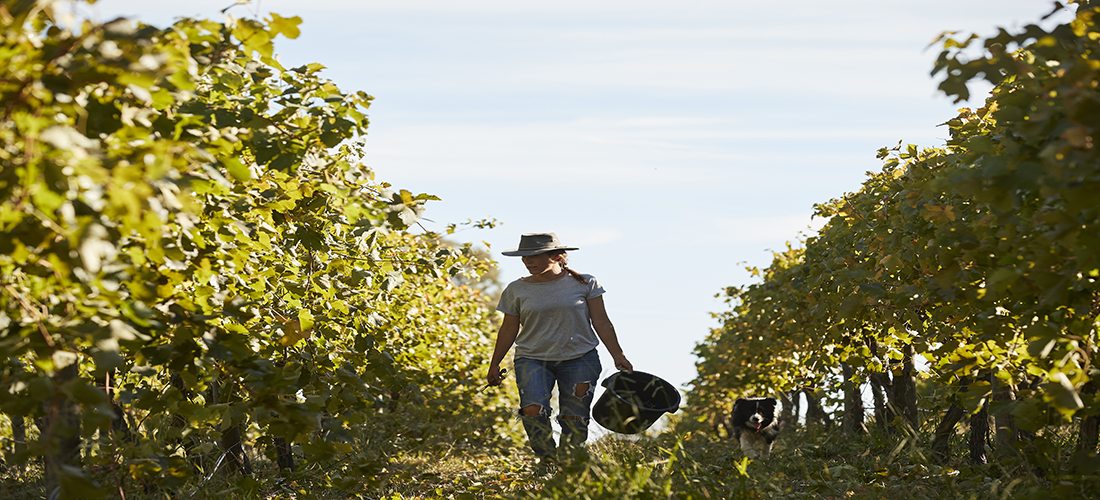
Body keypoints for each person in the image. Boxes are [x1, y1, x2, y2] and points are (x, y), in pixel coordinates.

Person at [486, 232, 633, 474]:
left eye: (533, 256)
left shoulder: (585, 283)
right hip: (532, 358)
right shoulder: (516, 289)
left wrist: (618, 355)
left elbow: (602, 322)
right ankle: (546, 460)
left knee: (574, 416)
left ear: (555, 256)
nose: (527, 261)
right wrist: (494, 364)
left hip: (580, 359)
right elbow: (508, 328)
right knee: (532, 409)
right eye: (524, 257)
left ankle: (569, 465)